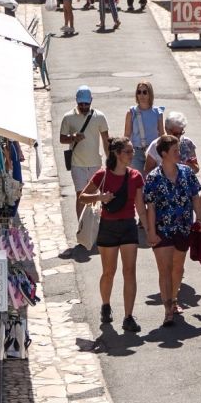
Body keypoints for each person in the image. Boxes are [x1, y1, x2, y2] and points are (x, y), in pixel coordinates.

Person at [76, 140, 142, 331]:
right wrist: (100, 197)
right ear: (117, 154)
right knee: (109, 271)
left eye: (132, 151)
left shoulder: (136, 176)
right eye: (128, 151)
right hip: (108, 226)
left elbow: (140, 206)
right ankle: (106, 305)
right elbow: (82, 197)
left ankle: (128, 316)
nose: (132, 155)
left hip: (129, 225)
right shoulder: (102, 175)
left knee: (129, 272)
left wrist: (150, 229)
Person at [141, 134, 201, 327]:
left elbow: (195, 197)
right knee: (164, 270)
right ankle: (167, 308)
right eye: (175, 151)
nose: (179, 154)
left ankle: (174, 299)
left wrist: (199, 219)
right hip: (162, 229)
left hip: (183, 227)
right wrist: (150, 231)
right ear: (164, 154)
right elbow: (150, 206)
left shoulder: (187, 173)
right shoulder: (153, 178)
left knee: (178, 268)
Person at [58, 86, 111, 196]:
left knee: (95, 196)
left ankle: (92, 214)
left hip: (95, 164)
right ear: (76, 101)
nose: (83, 106)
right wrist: (72, 137)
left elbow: (106, 141)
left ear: (91, 100)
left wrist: (110, 160)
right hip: (77, 164)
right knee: (81, 196)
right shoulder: (68, 117)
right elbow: (62, 139)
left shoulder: (100, 117)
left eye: (86, 104)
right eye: (81, 104)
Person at [123, 81, 165, 172]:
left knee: (152, 180)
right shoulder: (131, 112)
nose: (141, 95)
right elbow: (127, 135)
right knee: (137, 181)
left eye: (145, 92)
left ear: (150, 94)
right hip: (136, 152)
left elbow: (162, 134)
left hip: (153, 152)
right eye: (139, 92)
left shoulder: (158, 113)